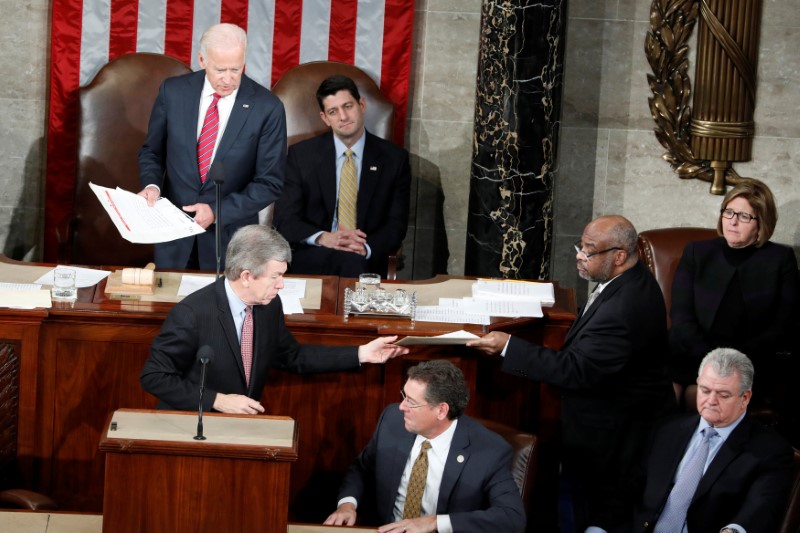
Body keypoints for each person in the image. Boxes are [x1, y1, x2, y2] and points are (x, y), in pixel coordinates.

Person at [467, 215, 675, 533]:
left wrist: (508, 346)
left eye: (589, 250)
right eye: (581, 245)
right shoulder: (627, 281)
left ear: (619, 256)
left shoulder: (625, 307)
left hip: (614, 436)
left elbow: (576, 370)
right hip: (611, 425)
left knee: (591, 514)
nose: (580, 255)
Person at [140, 225, 408, 413]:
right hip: (195, 423)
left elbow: (292, 356)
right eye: (275, 276)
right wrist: (216, 400)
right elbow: (155, 377)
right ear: (246, 276)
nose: (281, 285)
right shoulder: (192, 314)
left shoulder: (268, 305)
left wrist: (361, 353)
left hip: (243, 426)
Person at [138, 23, 287, 271]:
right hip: (173, 237)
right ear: (202, 59)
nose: (228, 79)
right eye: (220, 69)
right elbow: (152, 152)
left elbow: (269, 183)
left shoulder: (267, 107)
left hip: (229, 243)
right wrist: (152, 185)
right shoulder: (173, 92)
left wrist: (217, 211)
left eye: (236, 69)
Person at [324, 360, 526, 532]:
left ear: (441, 410)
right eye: (403, 396)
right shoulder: (392, 420)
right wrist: (347, 504)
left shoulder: (489, 451)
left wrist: (435, 522)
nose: (401, 407)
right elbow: (362, 468)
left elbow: (512, 518)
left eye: (411, 402)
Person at [669, 178, 799, 408]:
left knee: (711, 398)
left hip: (749, 361)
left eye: (744, 216)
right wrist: (709, 360)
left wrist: (733, 363)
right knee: (665, 393)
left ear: (762, 223)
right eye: (729, 212)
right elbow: (681, 316)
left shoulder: (780, 260)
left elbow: (783, 325)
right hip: (693, 353)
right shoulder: (697, 253)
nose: (733, 221)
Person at [634, 348, 793, 532]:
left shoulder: (769, 451)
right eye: (705, 390)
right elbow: (629, 487)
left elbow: (759, 510)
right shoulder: (668, 430)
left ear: (745, 398)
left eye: (723, 395)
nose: (711, 400)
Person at [274, 74, 411, 278]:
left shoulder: (394, 159)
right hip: (315, 254)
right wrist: (324, 238)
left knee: (351, 261)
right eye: (333, 111)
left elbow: (396, 223)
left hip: (365, 257)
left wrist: (365, 247)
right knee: (346, 263)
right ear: (325, 118)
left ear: (362, 105)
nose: (343, 117)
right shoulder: (301, 156)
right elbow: (286, 218)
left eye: (348, 106)